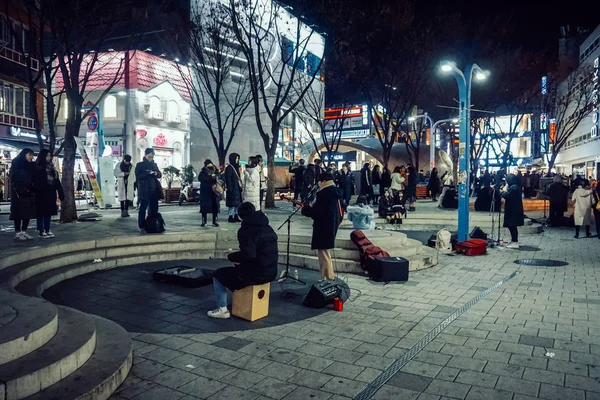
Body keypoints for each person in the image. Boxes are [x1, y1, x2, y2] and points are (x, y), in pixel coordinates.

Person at [208, 202, 278, 319]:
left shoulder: (246, 230)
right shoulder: (268, 227)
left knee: (218, 274)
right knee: (237, 269)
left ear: (240, 216)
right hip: (271, 271)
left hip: (257, 274)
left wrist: (232, 257)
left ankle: (222, 309)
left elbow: (249, 254)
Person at [301, 172, 342, 280]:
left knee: (323, 254)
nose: (318, 184)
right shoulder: (334, 192)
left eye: (319, 181)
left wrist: (306, 210)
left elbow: (318, 211)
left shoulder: (325, 193)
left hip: (323, 227)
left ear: (324, 181)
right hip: (329, 226)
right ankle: (328, 276)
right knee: (325, 253)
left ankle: (328, 278)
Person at [33, 149, 64, 238]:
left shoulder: (51, 166)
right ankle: (41, 230)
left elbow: (56, 180)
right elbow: (35, 180)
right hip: (41, 192)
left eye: (50, 156)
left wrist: (60, 192)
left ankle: (47, 229)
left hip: (50, 191)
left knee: (48, 211)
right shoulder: (37, 166)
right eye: (47, 156)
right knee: (41, 212)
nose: (49, 158)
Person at [10, 148, 36, 240]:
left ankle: (24, 231)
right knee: (18, 213)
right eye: (30, 155)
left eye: (32, 155)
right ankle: (18, 232)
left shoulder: (30, 166)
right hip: (18, 192)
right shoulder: (16, 163)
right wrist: (18, 189)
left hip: (28, 192)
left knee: (27, 212)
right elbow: (13, 178)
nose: (31, 157)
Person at [135, 148, 163, 233]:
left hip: (153, 189)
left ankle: (153, 224)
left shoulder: (154, 164)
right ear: (145, 155)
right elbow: (138, 176)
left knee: (154, 208)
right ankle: (142, 226)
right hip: (144, 190)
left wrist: (156, 173)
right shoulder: (140, 165)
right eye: (149, 156)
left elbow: (159, 174)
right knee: (143, 208)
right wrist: (147, 173)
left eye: (152, 156)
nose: (151, 158)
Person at [501, 175, 524, 249]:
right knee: (511, 225)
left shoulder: (514, 188)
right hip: (513, 209)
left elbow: (507, 195)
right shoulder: (515, 187)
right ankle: (513, 240)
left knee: (512, 225)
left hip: (513, 210)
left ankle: (515, 241)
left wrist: (502, 192)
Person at [199, 160, 220, 227]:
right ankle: (204, 221)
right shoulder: (203, 172)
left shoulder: (216, 171)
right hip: (205, 192)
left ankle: (215, 221)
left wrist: (215, 176)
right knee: (204, 207)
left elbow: (219, 178)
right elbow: (201, 178)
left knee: (215, 207)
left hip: (214, 192)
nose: (209, 166)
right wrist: (211, 177)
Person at [224, 153, 242, 223]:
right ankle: (230, 216)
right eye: (236, 158)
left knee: (237, 203)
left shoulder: (236, 167)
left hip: (237, 188)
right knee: (232, 203)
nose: (237, 160)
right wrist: (230, 188)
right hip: (232, 188)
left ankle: (236, 215)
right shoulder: (229, 167)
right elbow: (228, 179)